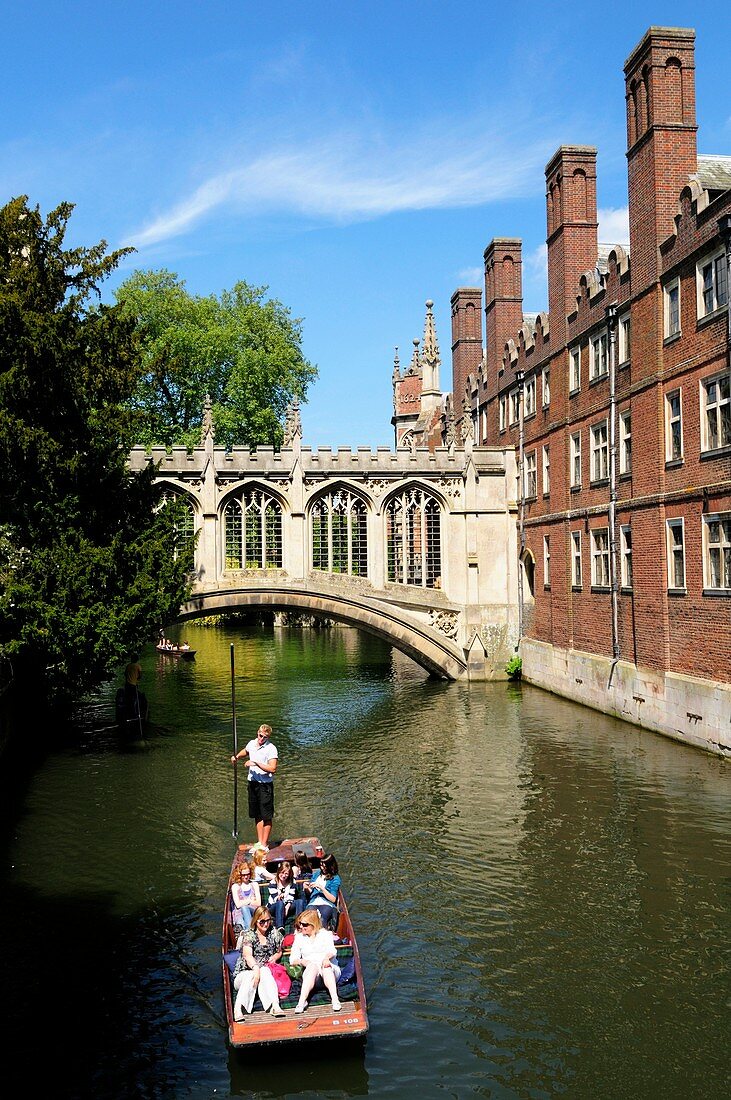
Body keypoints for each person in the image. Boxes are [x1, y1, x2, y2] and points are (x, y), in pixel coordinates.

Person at [230, 724, 278, 850]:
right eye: (260, 735)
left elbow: (273, 768)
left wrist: (256, 763)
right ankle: (259, 842)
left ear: (268, 737)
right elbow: (246, 751)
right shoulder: (252, 743)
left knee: (266, 815)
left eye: (265, 737)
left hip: (265, 785)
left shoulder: (271, 748)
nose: (262, 738)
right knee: (256, 814)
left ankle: (264, 844)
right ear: (257, 733)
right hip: (253, 784)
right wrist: (236, 757)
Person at [232, 906, 285, 1019]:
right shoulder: (249, 935)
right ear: (256, 921)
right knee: (251, 974)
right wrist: (255, 968)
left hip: (263, 974)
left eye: (268, 921)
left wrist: (275, 956)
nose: (266, 924)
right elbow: (247, 955)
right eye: (262, 921)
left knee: (265, 970)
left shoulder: (274, 934)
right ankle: (238, 1009)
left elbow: (280, 951)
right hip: (244, 973)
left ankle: (274, 1005)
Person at [290, 908, 342, 1014]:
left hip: (329, 970)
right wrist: (302, 962)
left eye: (305, 925)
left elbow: (332, 951)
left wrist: (326, 958)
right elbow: (292, 959)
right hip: (312, 974)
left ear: (313, 924)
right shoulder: (299, 938)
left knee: (326, 968)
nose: (301, 927)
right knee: (312, 967)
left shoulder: (325, 934)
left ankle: (335, 999)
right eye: (300, 924)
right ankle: (301, 1002)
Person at [303, 853, 341, 930]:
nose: (322, 867)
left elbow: (333, 899)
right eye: (321, 865)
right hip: (314, 901)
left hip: (326, 903)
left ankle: (323, 937)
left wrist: (321, 888)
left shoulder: (335, 878)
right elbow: (311, 892)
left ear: (330, 866)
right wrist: (306, 888)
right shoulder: (317, 874)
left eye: (324, 866)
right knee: (309, 920)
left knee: (322, 920)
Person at [267, 860, 304, 929]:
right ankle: (280, 927)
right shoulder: (273, 883)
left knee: (299, 901)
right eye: (282, 873)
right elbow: (275, 898)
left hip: (287, 904)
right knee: (280, 902)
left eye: (286, 874)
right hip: (274, 906)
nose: (284, 876)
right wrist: (280, 898)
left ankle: (299, 924)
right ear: (278, 872)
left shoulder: (292, 882)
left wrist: (287, 906)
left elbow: (291, 896)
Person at [230, 862, 261, 931]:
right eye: (243, 875)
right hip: (239, 914)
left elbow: (258, 903)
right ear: (239, 874)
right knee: (241, 924)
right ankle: (248, 932)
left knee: (244, 907)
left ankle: (250, 932)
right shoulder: (235, 886)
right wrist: (250, 900)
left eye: (248, 874)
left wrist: (243, 902)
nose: (246, 877)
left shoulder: (254, 884)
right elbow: (238, 905)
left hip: (253, 912)